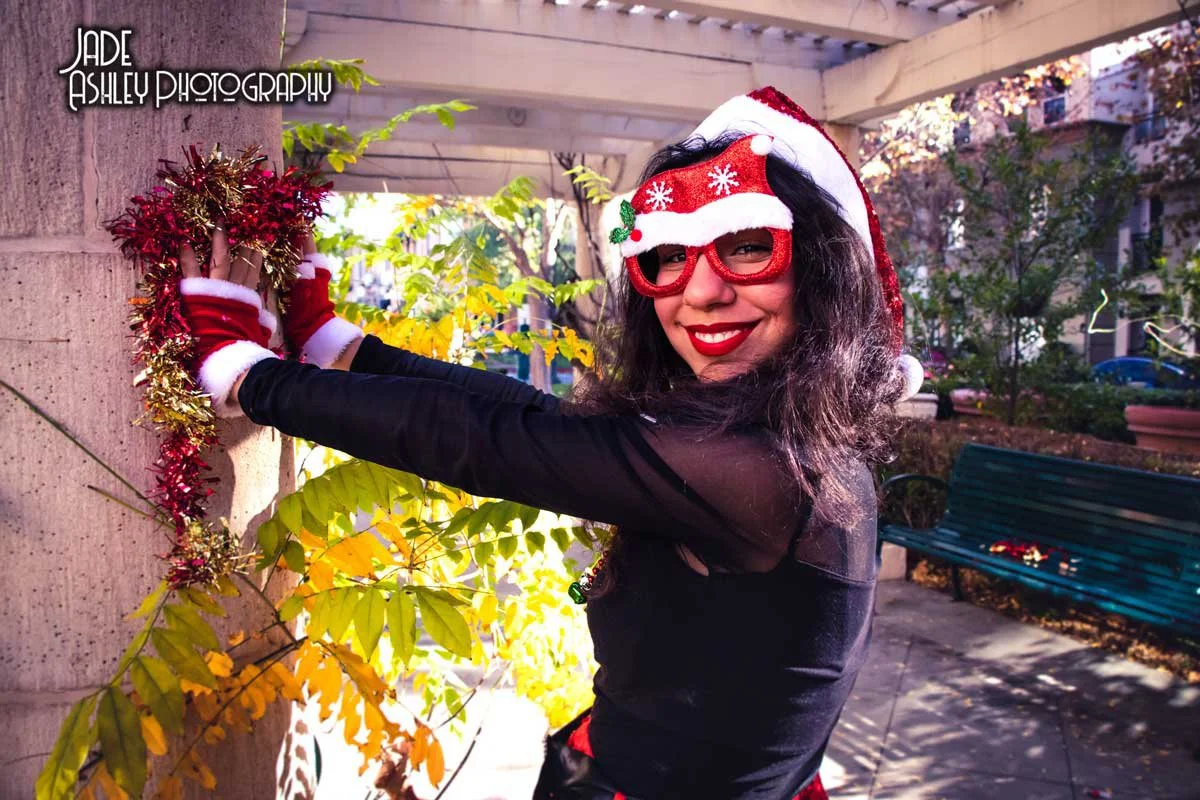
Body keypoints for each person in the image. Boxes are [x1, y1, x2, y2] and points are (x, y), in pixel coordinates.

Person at [177, 86, 924, 800]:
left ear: (824, 274)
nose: (700, 293)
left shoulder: (765, 471)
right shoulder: (785, 435)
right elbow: (536, 417)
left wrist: (250, 377)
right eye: (668, 255)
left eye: (748, 247)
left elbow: (491, 443)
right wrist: (340, 348)